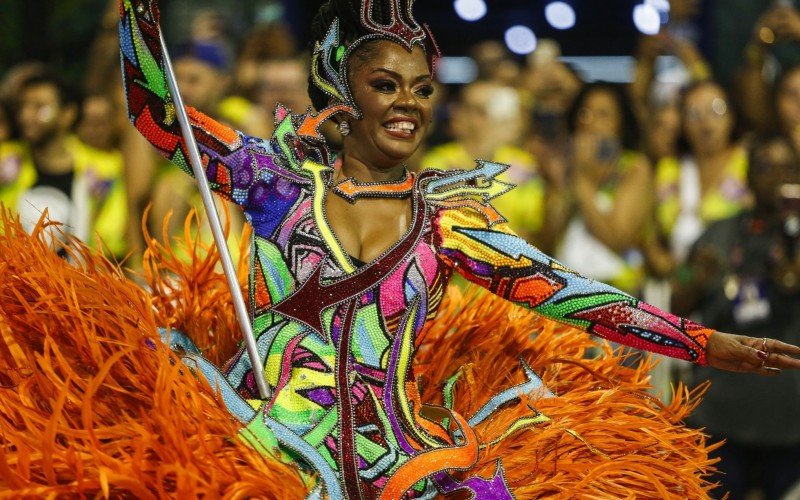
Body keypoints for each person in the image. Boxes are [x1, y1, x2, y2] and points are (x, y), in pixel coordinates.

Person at [2, 0, 800, 497]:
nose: (409, 103)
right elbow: (155, 116)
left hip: (401, 471)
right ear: (343, 93)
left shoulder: (445, 222)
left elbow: (576, 295)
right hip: (260, 456)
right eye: (387, 85)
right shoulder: (269, 179)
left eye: (422, 89)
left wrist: (701, 342)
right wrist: (138, 20)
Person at [671, 135, 800, 499]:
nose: (777, 177)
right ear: (747, 177)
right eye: (765, 167)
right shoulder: (721, 232)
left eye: (787, 168)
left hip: (791, 417)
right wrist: (693, 276)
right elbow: (677, 294)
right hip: (722, 413)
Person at [0, 72, 127, 257]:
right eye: (23, 107)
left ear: (68, 114)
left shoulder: (106, 168)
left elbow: (112, 240)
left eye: (39, 107)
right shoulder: (5, 158)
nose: (26, 116)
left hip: (81, 280)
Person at [555, 83, 652, 296]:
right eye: (585, 113)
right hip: (565, 290)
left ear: (621, 123)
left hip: (616, 292)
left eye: (604, 114)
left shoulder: (634, 168)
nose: (592, 123)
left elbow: (618, 238)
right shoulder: (563, 167)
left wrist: (582, 181)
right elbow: (547, 237)